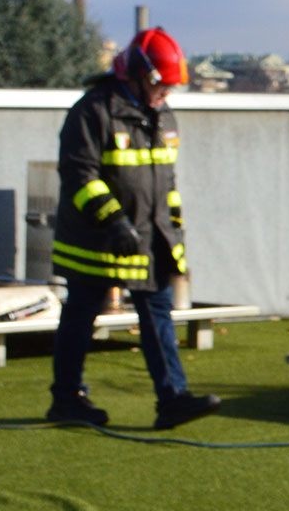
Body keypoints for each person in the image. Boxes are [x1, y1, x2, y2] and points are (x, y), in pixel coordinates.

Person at [46, 27, 221, 430]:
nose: (166, 96)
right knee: (80, 316)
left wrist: (174, 234)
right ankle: (67, 399)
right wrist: (113, 219)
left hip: (149, 237)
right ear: (137, 76)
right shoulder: (93, 110)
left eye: (170, 89)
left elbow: (166, 184)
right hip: (94, 239)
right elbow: (78, 174)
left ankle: (173, 400)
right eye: (161, 86)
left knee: (157, 314)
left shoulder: (163, 115)